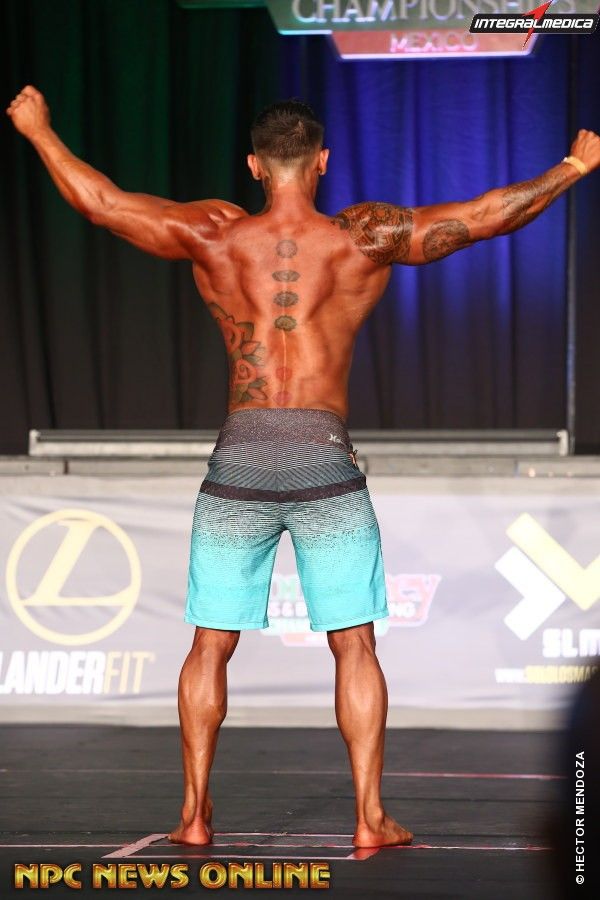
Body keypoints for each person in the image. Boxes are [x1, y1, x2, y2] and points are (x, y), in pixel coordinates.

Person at [7, 87, 600, 850]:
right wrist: (570, 168)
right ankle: (369, 818)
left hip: (240, 457)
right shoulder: (364, 237)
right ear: (322, 162)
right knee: (354, 643)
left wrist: (40, 131)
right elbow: (485, 217)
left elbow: (104, 205)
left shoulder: (215, 234)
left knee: (209, 643)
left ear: (254, 166)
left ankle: (193, 815)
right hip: (323, 457)